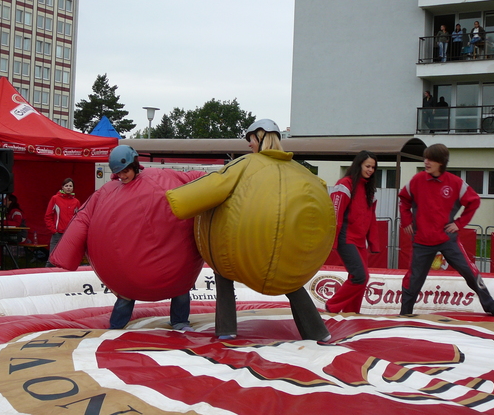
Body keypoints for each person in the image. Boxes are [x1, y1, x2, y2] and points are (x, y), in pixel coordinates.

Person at [166, 119, 335, 341]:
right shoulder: (303, 173)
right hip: (288, 255)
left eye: (251, 140)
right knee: (291, 282)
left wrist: (175, 198)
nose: (249, 145)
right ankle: (318, 332)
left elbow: (214, 184)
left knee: (223, 274)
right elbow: (322, 197)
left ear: (261, 137)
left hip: (243, 249)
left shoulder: (245, 165)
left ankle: (226, 330)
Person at [49, 145, 205, 331]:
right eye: (119, 173)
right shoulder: (108, 191)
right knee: (127, 293)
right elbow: (82, 218)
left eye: (126, 171)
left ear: (135, 165)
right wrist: (65, 255)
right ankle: (116, 326)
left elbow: (192, 180)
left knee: (180, 287)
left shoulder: (160, 177)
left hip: (171, 263)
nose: (123, 176)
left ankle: (179, 321)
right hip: (129, 268)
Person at [399, 143, 494, 317]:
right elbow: (403, 199)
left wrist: (459, 223)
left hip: (448, 239)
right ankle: (404, 313)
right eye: (426, 158)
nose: (426, 162)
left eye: (430, 159)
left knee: (470, 272)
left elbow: (474, 201)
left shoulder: (455, 183)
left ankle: (490, 305)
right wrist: (406, 220)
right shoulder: (417, 180)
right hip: (422, 240)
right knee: (414, 279)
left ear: (441, 162)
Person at [325, 151, 379, 314]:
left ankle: (351, 313)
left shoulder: (370, 190)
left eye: (373, 167)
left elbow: (371, 218)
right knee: (359, 276)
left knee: (363, 278)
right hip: (345, 238)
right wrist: (333, 240)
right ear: (359, 165)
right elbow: (335, 213)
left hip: (359, 240)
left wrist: (374, 243)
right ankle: (331, 306)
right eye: (367, 166)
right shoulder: (345, 184)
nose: (370, 170)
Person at [44, 178, 80, 267]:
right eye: (66, 186)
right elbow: (48, 216)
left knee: (67, 258)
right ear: (62, 187)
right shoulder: (55, 199)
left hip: (69, 234)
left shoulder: (76, 202)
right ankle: (46, 277)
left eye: (70, 186)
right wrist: (53, 230)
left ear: (73, 188)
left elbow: (78, 218)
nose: (68, 188)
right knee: (52, 259)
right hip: (57, 233)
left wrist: (74, 231)